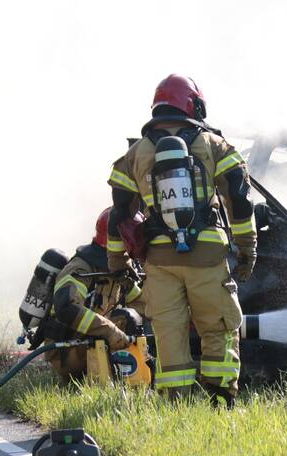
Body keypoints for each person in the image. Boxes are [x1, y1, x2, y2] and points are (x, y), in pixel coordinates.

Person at [106, 74, 255, 406]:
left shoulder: (136, 153)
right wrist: (248, 249)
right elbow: (239, 199)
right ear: (194, 105)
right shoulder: (214, 145)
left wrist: (117, 263)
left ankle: (177, 407)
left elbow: (119, 216)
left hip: (159, 261)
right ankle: (220, 404)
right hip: (207, 257)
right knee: (218, 330)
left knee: (169, 337)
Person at [44, 208, 146, 384]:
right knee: (125, 319)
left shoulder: (118, 271)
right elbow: (66, 308)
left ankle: (135, 379)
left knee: (133, 319)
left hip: (92, 343)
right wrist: (109, 330)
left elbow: (143, 305)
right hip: (65, 352)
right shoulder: (81, 268)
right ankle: (109, 384)